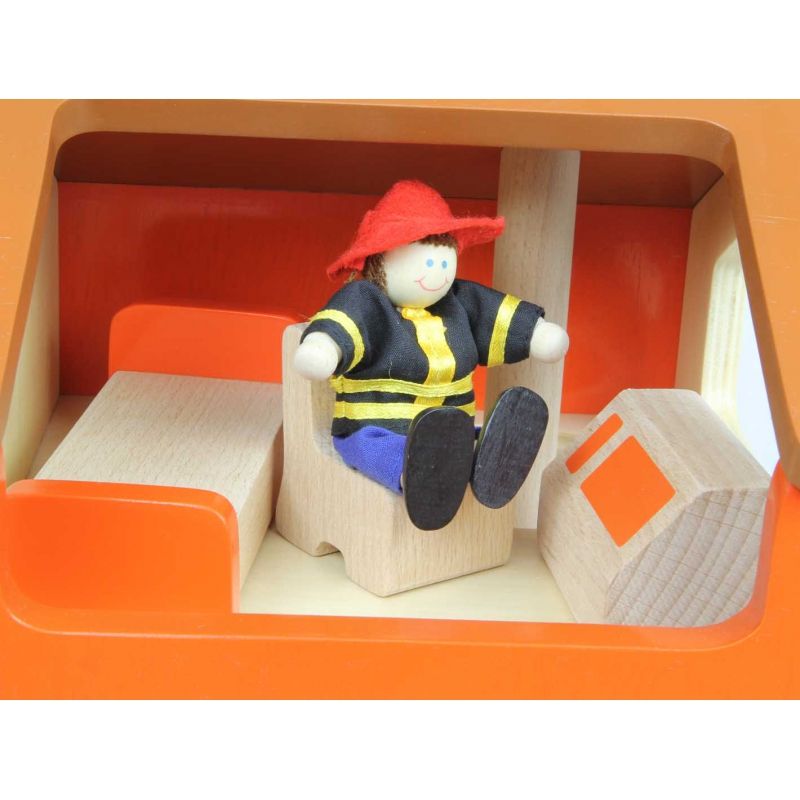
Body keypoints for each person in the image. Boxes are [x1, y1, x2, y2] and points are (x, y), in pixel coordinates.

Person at [294, 180, 569, 530]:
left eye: (443, 258)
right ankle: (416, 477)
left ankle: (491, 460)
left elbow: (494, 316)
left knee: (466, 440)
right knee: (379, 450)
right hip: (376, 428)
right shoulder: (367, 301)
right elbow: (345, 324)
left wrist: (536, 334)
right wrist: (323, 347)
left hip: (450, 430)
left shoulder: (458, 302)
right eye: (425, 258)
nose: (437, 270)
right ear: (380, 259)